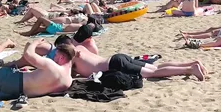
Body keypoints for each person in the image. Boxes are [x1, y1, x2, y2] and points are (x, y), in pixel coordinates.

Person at [55, 38, 206, 81]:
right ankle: (192, 63)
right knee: (156, 68)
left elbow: (66, 76)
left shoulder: (71, 61)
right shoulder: (80, 49)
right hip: (117, 57)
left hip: (115, 65)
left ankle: (190, 69)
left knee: (153, 73)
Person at [14, 16, 86, 36]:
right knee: (38, 29)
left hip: (57, 28)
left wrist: (58, 33)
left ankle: (28, 33)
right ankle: (24, 33)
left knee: (41, 19)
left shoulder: (80, 26)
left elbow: (71, 33)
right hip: (57, 28)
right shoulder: (79, 26)